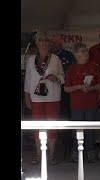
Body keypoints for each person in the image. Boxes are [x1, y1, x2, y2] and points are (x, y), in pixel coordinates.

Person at [24, 32, 65, 165]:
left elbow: (63, 77)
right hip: (35, 97)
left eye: (46, 41)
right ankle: (38, 155)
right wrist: (26, 96)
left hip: (53, 96)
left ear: (50, 43)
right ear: (37, 43)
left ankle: (51, 155)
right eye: (41, 41)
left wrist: (57, 78)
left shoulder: (55, 59)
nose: (44, 43)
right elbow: (28, 79)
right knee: (38, 127)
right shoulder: (31, 59)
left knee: (52, 126)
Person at [64, 42, 100, 163]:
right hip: (77, 104)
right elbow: (66, 88)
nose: (86, 53)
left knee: (90, 128)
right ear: (76, 54)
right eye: (83, 51)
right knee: (77, 128)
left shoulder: (94, 66)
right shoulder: (71, 68)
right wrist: (79, 87)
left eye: (86, 50)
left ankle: (90, 152)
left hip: (91, 102)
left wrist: (90, 88)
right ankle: (76, 152)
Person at [49, 32, 76, 160]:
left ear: (61, 43)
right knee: (53, 118)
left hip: (65, 91)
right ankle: (53, 148)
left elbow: (74, 72)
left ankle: (67, 146)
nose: (54, 45)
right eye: (52, 43)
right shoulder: (48, 56)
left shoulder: (69, 55)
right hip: (50, 92)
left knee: (65, 117)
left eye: (56, 43)